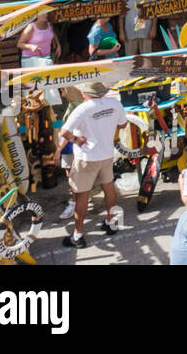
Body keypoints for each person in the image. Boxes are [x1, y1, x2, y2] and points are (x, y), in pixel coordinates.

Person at [58, 80, 124, 249]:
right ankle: (110, 222)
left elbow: (64, 132)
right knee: (108, 188)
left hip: (86, 158)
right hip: (106, 153)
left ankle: (78, 236)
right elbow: (123, 124)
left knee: (81, 196)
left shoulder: (83, 109)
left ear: (85, 94)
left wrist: (75, 139)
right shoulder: (114, 103)